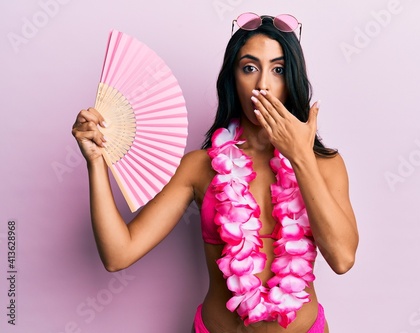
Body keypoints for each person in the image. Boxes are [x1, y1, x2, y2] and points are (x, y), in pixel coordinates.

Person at [72, 13, 358, 333]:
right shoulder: (200, 167)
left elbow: (343, 259)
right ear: (232, 78)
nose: (263, 84)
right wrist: (95, 162)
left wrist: (301, 156)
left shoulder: (325, 165)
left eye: (277, 70)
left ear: (291, 79)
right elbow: (117, 254)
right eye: (249, 68)